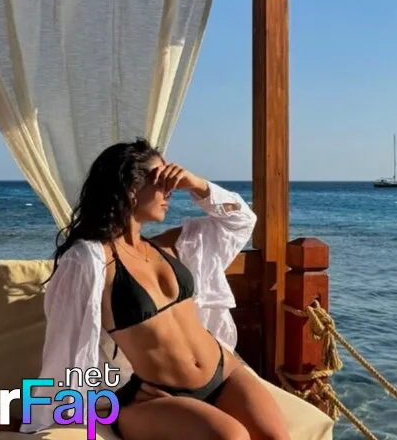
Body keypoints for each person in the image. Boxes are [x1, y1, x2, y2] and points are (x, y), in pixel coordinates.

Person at [24, 138, 290, 440]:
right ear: (131, 188)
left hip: (224, 372)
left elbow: (241, 221)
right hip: (157, 395)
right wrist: (40, 413)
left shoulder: (171, 246)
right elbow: (65, 343)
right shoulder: (90, 260)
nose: (171, 191)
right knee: (232, 437)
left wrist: (198, 185)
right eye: (161, 182)